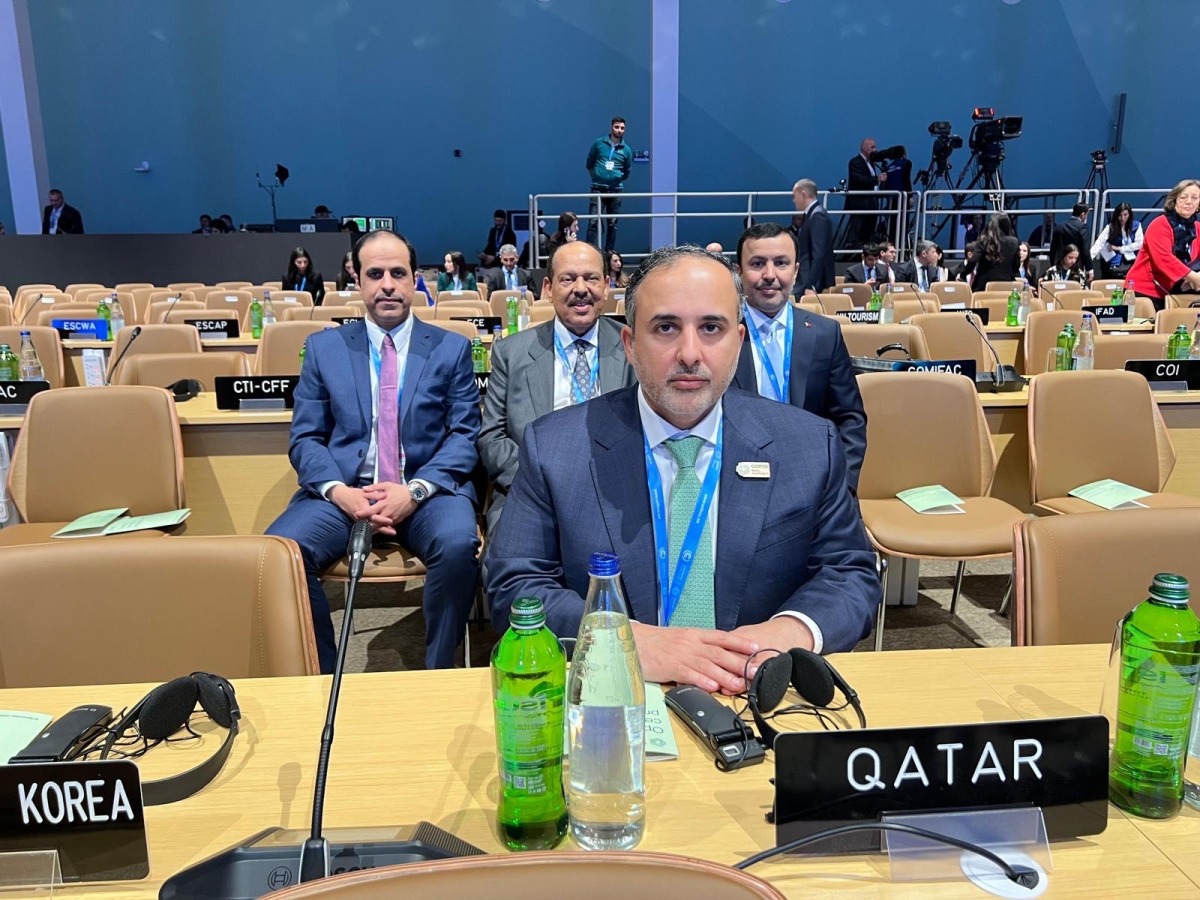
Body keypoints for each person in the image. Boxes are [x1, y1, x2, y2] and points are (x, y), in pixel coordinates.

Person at [485, 244, 878, 693]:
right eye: (666, 328)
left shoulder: (808, 446)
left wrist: (785, 633)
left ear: (739, 341)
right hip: (612, 694)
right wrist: (625, 641)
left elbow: (850, 573)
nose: (690, 353)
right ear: (630, 345)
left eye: (711, 327)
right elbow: (514, 584)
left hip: (755, 690)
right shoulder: (555, 447)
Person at [266, 230, 481, 673]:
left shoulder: (451, 348)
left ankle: (439, 675)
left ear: (415, 281)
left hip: (427, 493)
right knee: (280, 551)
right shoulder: (324, 349)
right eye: (375, 274)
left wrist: (415, 491)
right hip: (347, 494)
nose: (387, 284)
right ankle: (320, 676)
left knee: (459, 544)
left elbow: (464, 436)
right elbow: (305, 438)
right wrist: (339, 492)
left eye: (398, 274)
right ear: (357, 280)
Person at [479, 241, 637, 535]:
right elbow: (492, 436)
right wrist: (539, 484)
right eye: (568, 278)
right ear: (549, 288)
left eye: (591, 278)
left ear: (605, 286)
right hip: (529, 492)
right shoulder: (511, 353)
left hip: (615, 494)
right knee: (505, 566)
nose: (580, 288)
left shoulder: (632, 349)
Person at [731, 222, 867, 491]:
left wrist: (841, 486)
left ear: (795, 271)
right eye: (757, 264)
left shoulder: (825, 334)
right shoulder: (718, 335)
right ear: (739, 272)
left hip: (814, 484)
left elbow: (850, 420)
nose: (769, 275)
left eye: (781, 263)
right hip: (739, 483)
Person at [1125, 180, 1200, 306]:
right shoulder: (1160, 224)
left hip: (1173, 291)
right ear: (1174, 200)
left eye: (1194, 198)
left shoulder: (1197, 228)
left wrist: (1196, 276)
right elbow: (1164, 259)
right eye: (1183, 197)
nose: (1188, 202)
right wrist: (1192, 277)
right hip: (1143, 291)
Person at [585, 116, 633, 252]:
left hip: (615, 190)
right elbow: (589, 163)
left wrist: (615, 178)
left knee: (613, 223)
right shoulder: (599, 144)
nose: (619, 130)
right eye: (617, 127)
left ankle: (609, 253)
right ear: (611, 127)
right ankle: (591, 251)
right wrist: (597, 176)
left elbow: (627, 171)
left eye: (622, 128)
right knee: (593, 221)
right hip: (598, 188)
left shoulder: (626, 150)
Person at [792, 179, 834, 295]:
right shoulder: (814, 214)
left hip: (810, 283)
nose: (794, 200)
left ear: (803, 194)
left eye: (794, 196)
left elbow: (819, 254)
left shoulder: (817, 216)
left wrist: (811, 285)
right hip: (806, 280)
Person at [846, 138, 883, 247]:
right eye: (872, 147)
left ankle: (867, 251)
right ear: (864, 148)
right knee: (857, 231)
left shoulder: (872, 163)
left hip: (871, 203)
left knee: (869, 232)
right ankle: (852, 254)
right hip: (859, 204)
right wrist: (877, 179)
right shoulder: (855, 162)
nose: (875, 150)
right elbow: (859, 179)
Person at [1090, 202, 1144, 279]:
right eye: (1120, 215)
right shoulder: (1110, 227)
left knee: (1130, 287)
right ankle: (1118, 291)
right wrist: (1088, 262)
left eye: (1125, 215)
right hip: (1116, 265)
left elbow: (1139, 244)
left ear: (1129, 214)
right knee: (1117, 289)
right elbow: (1099, 244)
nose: (1122, 218)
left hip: (1134, 262)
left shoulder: (1137, 225)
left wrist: (1119, 248)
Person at [970, 214, 1020, 292]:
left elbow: (973, 261)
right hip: (1007, 285)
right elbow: (1016, 265)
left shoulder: (983, 241)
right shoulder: (1014, 242)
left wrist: (962, 275)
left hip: (983, 286)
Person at [1050, 203, 1095, 283]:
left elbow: (1053, 249)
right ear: (1083, 214)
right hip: (1076, 267)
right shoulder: (1082, 227)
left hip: (1059, 266)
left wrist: (1053, 265)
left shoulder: (1059, 227)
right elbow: (1085, 250)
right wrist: (1089, 269)